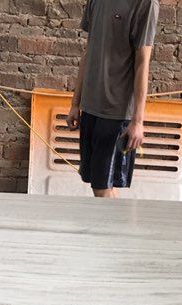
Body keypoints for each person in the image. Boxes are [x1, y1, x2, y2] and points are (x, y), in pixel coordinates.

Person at [66, 0, 160, 198]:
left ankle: (110, 220)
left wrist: (137, 121)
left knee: (101, 186)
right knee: (99, 183)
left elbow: (142, 63)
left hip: (116, 112)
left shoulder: (146, 3)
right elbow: (89, 50)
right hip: (90, 106)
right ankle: (117, 219)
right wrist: (75, 103)